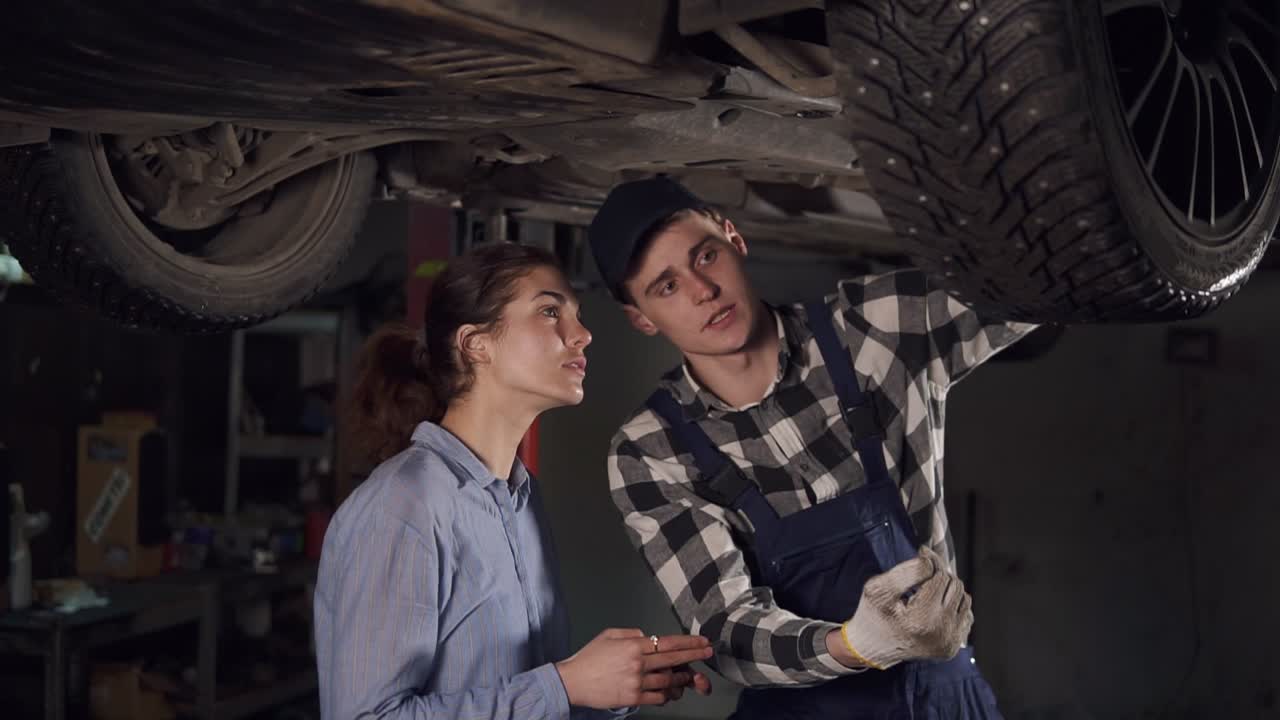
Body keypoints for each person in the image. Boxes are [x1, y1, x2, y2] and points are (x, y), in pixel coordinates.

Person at [588, 177, 1037, 718]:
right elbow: (726, 627)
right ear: (640, 318)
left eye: (705, 255)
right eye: (666, 287)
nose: (701, 290)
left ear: (735, 238)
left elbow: (1042, 281)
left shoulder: (876, 325)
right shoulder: (651, 450)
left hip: (945, 700)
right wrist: (857, 644)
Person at [314, 242, 714, 720]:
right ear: (475, 344)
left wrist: (611, 688)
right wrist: (566, 684)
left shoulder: (521, 500)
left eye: (577, 315)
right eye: (550, 311)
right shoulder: (403, 507)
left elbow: (531, 700)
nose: (583, 334)